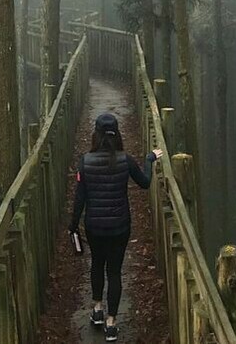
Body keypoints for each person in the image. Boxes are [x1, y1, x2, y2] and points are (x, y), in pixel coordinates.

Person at [69, 112, 163, 342]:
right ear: (117, 134)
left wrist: (73, 226)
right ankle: (112, 323)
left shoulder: (85, 162)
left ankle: (97, 309)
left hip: (94, 226)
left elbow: (80, 198)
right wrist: (149, 159)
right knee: (114, 271)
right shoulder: (126, 160)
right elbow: (145, 183)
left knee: (97, 264)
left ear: (96, 134)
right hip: (120, 227)